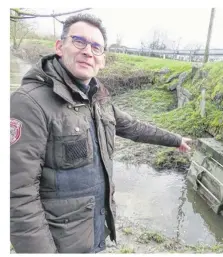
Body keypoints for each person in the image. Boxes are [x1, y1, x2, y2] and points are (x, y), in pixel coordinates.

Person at [10, 13, 191, 253]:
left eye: (96, 47)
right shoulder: (29, 103)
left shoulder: (98, 100)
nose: (88, 51)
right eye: (79, 42)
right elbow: (17, 194)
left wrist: (175, 140)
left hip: (94, 231)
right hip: (59, 243)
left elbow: (134, 127)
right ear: (59, 47)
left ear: (102, 59)